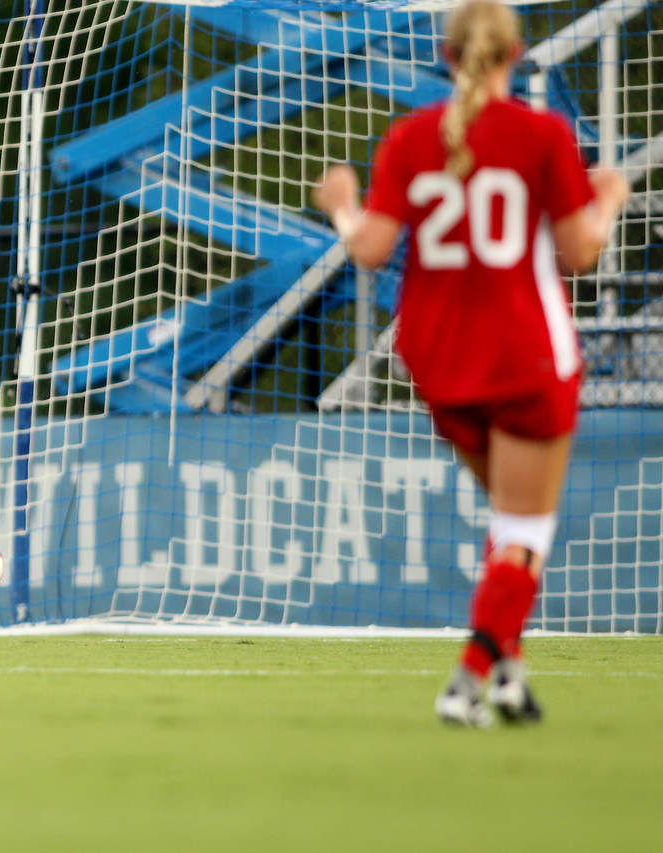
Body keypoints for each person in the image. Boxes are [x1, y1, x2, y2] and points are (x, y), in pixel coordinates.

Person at [313, 0, 628, 727]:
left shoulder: (412, 137)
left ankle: (511, 680)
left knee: (508, 524)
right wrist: (607, 197)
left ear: (447, 58)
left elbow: (367, 250)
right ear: (515, 55)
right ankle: (468, 678)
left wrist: (342, 205)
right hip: (522, 352)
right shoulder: (540, 134)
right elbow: (580, 253)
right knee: (527, 532)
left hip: (439, 355)